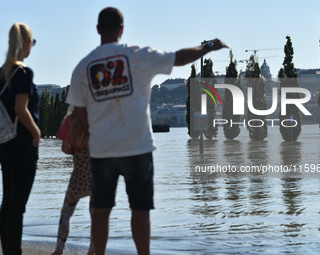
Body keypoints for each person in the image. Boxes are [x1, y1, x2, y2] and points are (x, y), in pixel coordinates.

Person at [66, 7, 229, 255]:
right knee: (140, 211)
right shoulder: (137, 56)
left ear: (98, 30)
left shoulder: (83, 66)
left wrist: (93, 141)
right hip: (137, 147)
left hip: (101, 151)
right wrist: (207, 46)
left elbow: (79, 115)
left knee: (101, 211)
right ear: (122, 29)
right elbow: (179, 57)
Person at [0, 22, 41, 255]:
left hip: (4, 145)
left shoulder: (1, 73)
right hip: (23, 145)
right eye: (32, 43)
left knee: (7, 203)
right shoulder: (24, 72)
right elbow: (20, 107)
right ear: (26, 44)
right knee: (18, 207)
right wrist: (36, 133)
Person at [51, 107, 95, 255]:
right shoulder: (97, 118)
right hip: (96, 174)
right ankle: (93, 249)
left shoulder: (70, 120)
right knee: (95, 214)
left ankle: (59, 250)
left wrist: (76, 151)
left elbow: (64, 148)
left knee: (66, 213)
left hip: (78, 175)